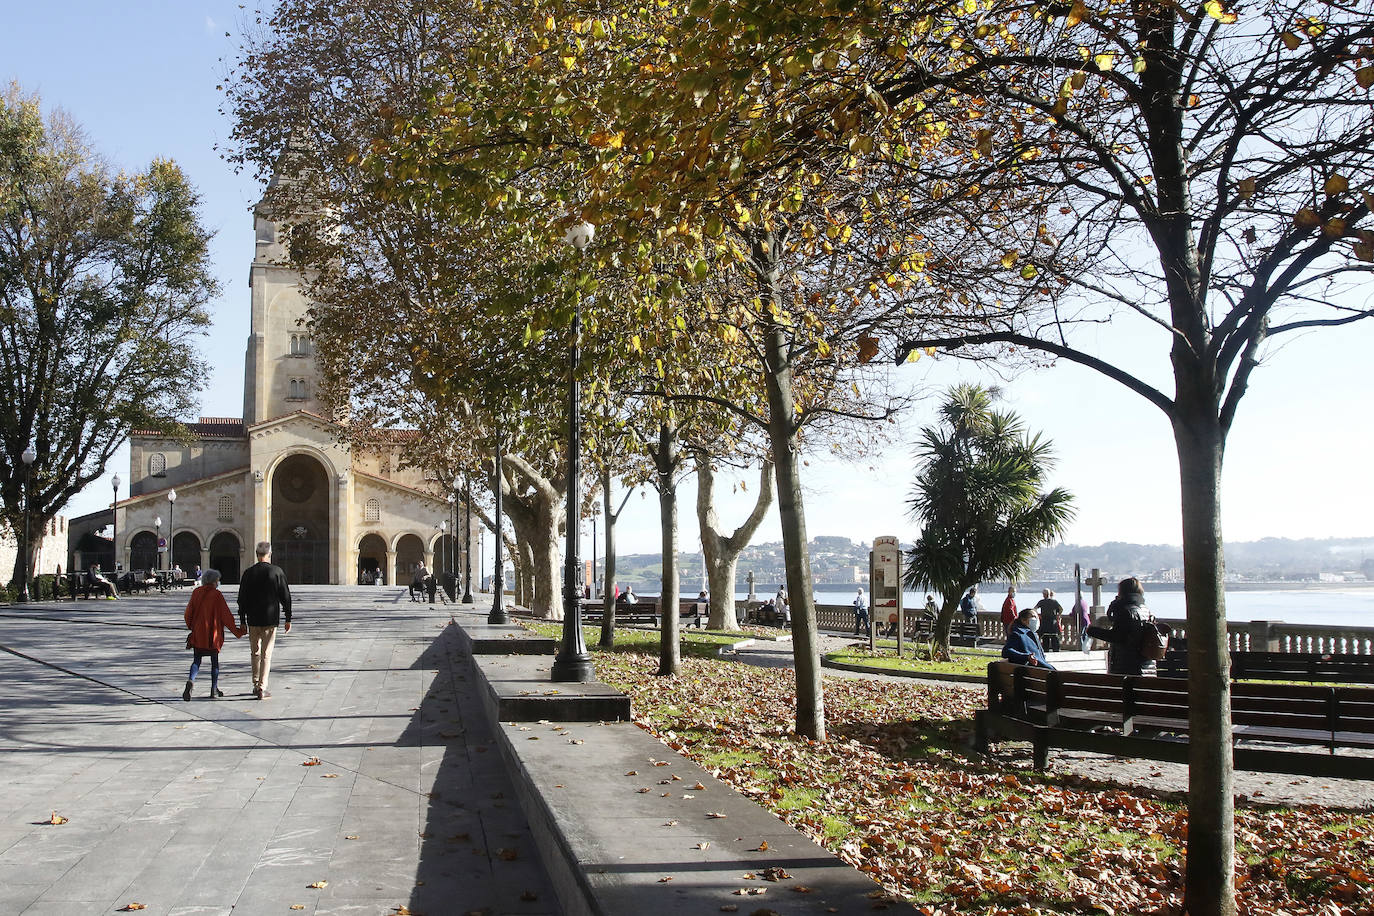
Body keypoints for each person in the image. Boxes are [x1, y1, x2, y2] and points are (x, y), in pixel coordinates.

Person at [237, 541, 292, 700]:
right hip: (270, 618)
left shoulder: (248, 573)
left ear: (256, 554)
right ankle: (262, 687)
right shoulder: (276, 571)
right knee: (266, 653)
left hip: (252, 619)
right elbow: (285, 597)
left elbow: (242, 599)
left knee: (254, 652)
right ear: (269, 554)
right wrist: (288, 618)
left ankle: (255, 684)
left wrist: (242, 620)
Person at [182, 569, 245, 701]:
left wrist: (191, 627)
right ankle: (213, 688)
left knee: (196, 660)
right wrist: (238, 631)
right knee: (214, 662)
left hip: (199, 633)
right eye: (217, 580)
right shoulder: (217, 595)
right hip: (212, 635)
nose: (218, 583)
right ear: (213, 581)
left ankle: (191, 680)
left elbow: (188, 613)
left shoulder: (196, 593)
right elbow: (226, 616)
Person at [1086, 577, 1152, 675]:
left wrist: (1092, 631)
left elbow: (1117, 636)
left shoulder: (1126, 611)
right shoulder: (1145, 609)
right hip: (1146, 665)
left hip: (1127, 665)